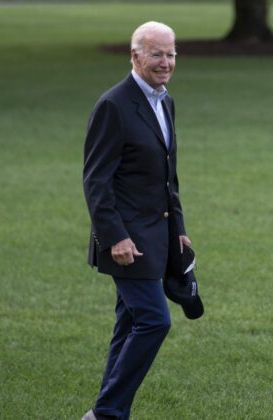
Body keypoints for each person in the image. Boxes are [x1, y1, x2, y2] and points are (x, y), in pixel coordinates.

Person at [81, 21, 190, 420]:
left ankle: (107, 413)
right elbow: (96, 180)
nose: (166, 62)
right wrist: (115, 238)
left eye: (171, 53)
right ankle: (106, 413)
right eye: (156, 53)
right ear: (135, 56)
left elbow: (167, 178)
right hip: (127, 242)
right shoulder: (114, 105)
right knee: (154, 321)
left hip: (157, 235)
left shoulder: (166, 102)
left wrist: (177, 230)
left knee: (128, 326)